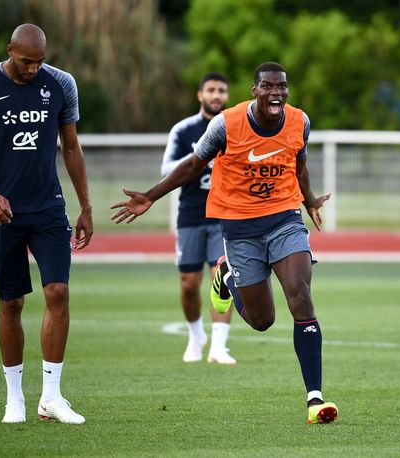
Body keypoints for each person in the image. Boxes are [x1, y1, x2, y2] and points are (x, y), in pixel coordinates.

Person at [112, 61, 338, 424]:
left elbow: (299, 164)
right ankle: (227, 276)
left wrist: (308, 199)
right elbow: (191, 166)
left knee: (301, 295)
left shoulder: (301, 121)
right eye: (267, 86)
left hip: (284, 219)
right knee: (262, 320)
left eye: (281, 86)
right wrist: (151, 196)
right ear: (254, 90)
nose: (275, 92)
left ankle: (316, 399)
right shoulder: (226, 124)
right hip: (239, 226)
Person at [0, 23, 93, 424]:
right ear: (9, 51)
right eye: (25, 61)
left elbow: (71, 147)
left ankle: (51, 397)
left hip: (48, 208)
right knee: (11, 302)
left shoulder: (61, 84)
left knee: (58, 292)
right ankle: (14, 398)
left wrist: (85, 206)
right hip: (3, 212)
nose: (33, 69)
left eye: (40, 62)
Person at [161, 72, 236, 365]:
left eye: (221, 90)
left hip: (225, 215)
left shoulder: (235, 126)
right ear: (200, 95)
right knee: (188, 283)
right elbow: (166, 168)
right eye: (211, 90)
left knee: (223, 279)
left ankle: (219, 346)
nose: (216, 95)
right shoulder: (184, 129)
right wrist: (199, 158)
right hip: (191, 214)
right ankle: (196, 336)